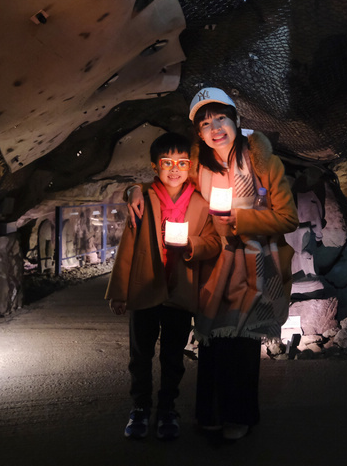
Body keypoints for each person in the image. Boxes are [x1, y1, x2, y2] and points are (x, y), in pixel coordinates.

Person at [127, 87, 299, 441]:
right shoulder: (197, 166)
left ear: (235, 119)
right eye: (205, 123)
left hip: (253, 264)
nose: (214, 128)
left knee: (242, 343)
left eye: (220, 118)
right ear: (198, 132)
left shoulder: (261, 160)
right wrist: (134, 190)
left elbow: (287, 218)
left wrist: (242, 220)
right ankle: (210, 412)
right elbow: (167, 181)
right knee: (211, 341)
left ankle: (240, 415)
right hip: (212, 262)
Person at [106, 132, 221, 441]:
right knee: (140, 354)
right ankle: (140, 408)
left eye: (182, 163)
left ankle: (168, 408)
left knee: (173, 355)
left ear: (191, 166)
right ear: (155, 166)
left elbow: (213, 242)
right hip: (145, 288)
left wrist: (192, 244)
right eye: (167, 163)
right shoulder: (145, 199)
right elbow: (128, 246)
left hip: (179, 291)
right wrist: (119, 292)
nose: (174, 169)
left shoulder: (199, 202)